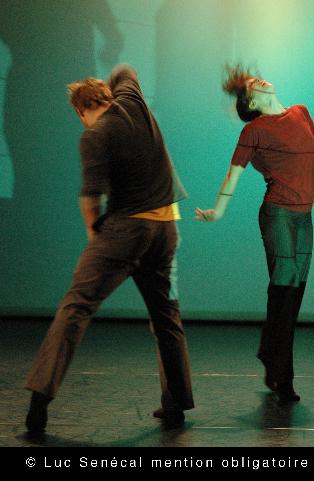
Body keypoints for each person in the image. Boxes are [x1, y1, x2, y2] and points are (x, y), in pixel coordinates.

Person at [24, 64, 194, 432]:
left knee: (76, 305)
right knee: (166, 317)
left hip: (126, 230)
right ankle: (176, 405)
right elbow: (126, 68)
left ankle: (38, 402)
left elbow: (90, 197)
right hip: (166, 228)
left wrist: (93, 234)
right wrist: (114, 84)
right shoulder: (131, 99)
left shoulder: (94, 134)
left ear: (79, 110)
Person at [195, 64, 314, 402]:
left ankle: (268, 352)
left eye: (255, 79)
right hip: (277, 215)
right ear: (252, 103)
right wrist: (217, 212)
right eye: (251, 86)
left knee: (293, 294)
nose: (258, 80)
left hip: (305, 218)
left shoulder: (301, 113)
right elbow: (233, 176)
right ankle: (283, 377)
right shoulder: (255, 131)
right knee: (284, 292)